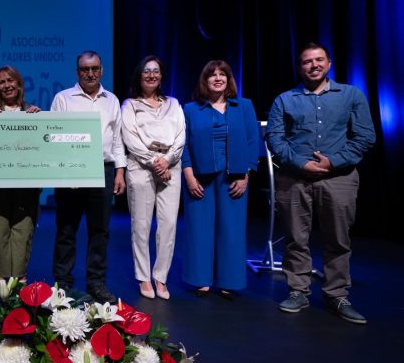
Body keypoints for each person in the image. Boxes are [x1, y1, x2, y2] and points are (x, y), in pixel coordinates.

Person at [267, 42, 375, 324]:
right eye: (306, 61)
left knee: (338, 239)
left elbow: (365, 136)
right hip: (294, 178)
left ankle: (336, 295)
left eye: (318, 60)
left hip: (338, 179)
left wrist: (333, 162)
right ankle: (298, 291)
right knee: (295, 239)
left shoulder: (350, 95)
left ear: (329, 63)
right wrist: (301, 163)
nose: (313, 65)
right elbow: (275, 139)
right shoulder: (285, 99)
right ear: (299, 66)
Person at [50, 50, 126, 303]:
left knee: (100, 230)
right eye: (85, 69)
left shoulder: (112, 100)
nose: (90, 73)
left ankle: (96, 282)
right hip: (71, 171)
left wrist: (119, 173)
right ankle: (62, 283)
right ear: (77, 72)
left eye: (94, 69)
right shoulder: (63, 99)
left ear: (101, 70)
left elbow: (117, 141)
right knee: (66, 229)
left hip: (102, 171)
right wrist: (63, 172)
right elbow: (53, 137)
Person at [181, 60, 258, 299]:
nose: (217, 78)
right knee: (199, 229)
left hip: (233, 177)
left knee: (232, 230)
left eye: (222, 74)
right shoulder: (191, 109)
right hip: (199, 178)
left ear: (228, 79)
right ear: (204, 81)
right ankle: (200, 279)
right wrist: (189, 176)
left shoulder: (243, 106)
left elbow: (252, 142)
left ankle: (229, 281)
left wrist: (245, 176)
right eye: (212, 75)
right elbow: (182, 145)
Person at [120, 55, 185, 300]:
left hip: (171, 166)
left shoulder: (174, 104)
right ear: (139, 75)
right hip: (140, 166)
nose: (151, 75)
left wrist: (166, 161)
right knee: (141, 225)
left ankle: (161, 277)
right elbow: (130, 139)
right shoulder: (130, 105)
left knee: (168, 225)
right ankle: (144, 277)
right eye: (146, 71)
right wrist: (154, 162)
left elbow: (180, 137)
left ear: (161, 76)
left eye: (156, 71)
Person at [0, 65, 41, 280]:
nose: (7, 85)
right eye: (2, 82)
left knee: (22, 233)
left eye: (11, 80)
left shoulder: (32, 113)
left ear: (19, 84)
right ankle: (4, 289)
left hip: (26, 187)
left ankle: (18, 285)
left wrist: (39, 121)